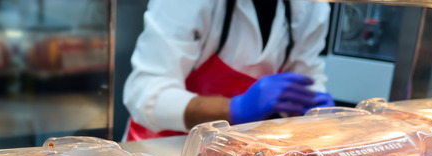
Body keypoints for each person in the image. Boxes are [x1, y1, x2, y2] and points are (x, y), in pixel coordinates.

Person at [123, 0, 334, 140]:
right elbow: (143, 94)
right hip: (164, 154)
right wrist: (235, 108)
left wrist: (313, 111)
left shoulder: (311, 6)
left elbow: (307, 76)